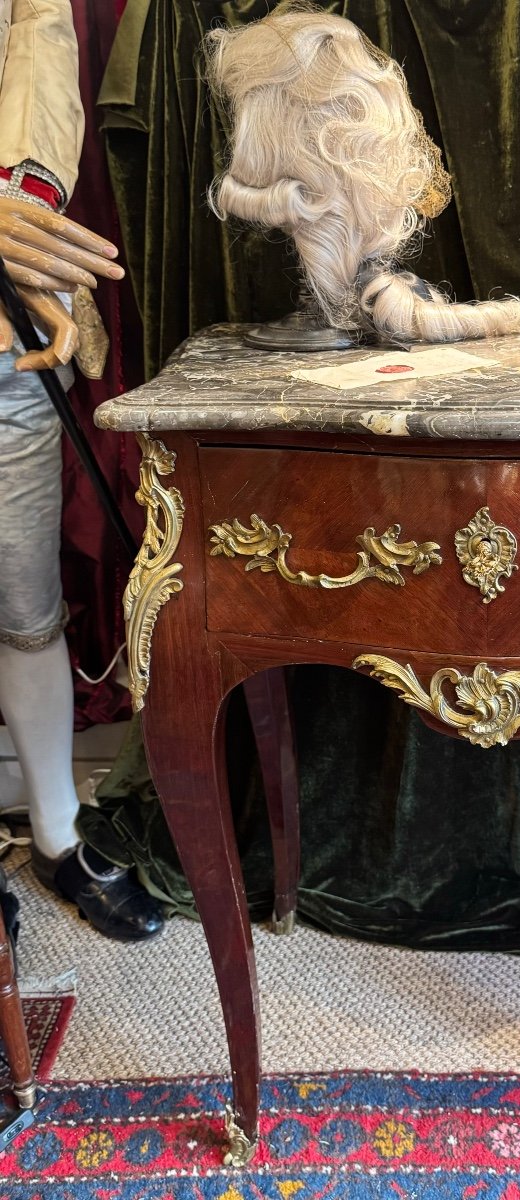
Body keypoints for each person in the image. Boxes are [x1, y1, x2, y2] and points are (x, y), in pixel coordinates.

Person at [0, 0, 163, 940]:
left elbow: (39, 40)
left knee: (26, 613)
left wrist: (23, 205)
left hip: (12, 330)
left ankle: (58, 835)